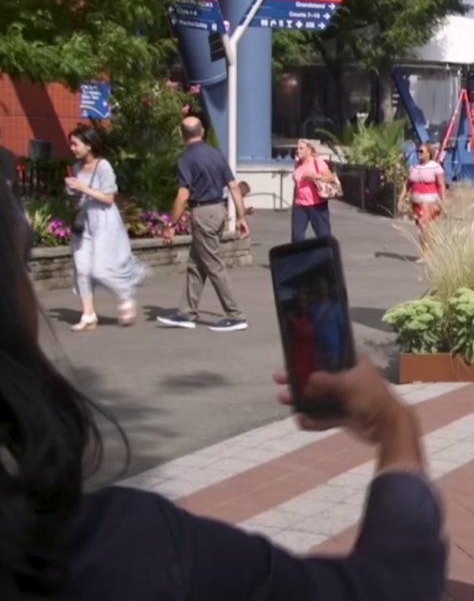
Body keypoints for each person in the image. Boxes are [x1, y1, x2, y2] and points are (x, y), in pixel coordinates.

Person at [1, 181, 446, 600]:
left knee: (206, 266)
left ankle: (222, 310)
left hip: (208, 220)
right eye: (24, 262)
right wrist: (395, 427)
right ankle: (218, 309)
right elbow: (389, 586)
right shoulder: (127, 550)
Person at [158, 116, 250, 332]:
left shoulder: (186, 159)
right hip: (218, 211)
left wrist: (171, 225)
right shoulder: (216, 154)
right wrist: (241, 217)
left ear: (182, 134)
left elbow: (182, 195)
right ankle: (187, 313)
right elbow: (234, 186)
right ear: (202, 132)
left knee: (213, 265)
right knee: (196, 264)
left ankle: (236, 315)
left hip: (203, 213)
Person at [63, 126, 146, 331]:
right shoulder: (76, 167)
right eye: (71, 144)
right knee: (82, 268)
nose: (72, 148)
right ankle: (88, 314)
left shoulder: (103, 166)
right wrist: (72, 189)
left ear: (89, 145)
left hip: (104, 221)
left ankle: (124, 294)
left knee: (100, 269)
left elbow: (108, 198)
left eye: (75, 144)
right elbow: (80, 196)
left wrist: (84, 188)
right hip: (84, 221)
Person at [291, 139, 338, 242]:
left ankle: (327, 251)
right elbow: (297, 185)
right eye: (297, 148)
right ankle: (299, 252)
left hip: (317, 205)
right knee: (297, 237)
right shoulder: (297, 164)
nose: (298, 151)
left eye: (301, 148)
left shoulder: (318, 162)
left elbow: (331, 178)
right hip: (300, 205)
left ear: (309, 149)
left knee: (323, 235)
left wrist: (315, 176)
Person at [401, 143, 446, 233]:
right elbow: (407, 184)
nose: (419, 153)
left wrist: (443, 203)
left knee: (424, 224)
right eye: (417, 151)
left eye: (421, 151)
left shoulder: (435, 167)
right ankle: (425, 242)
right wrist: (401, 198)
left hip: (429, 203)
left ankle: (427, 242)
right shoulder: (414, 168)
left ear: (428, 153)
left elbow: (441, 185)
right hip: (416, 203)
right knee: (421, 227)